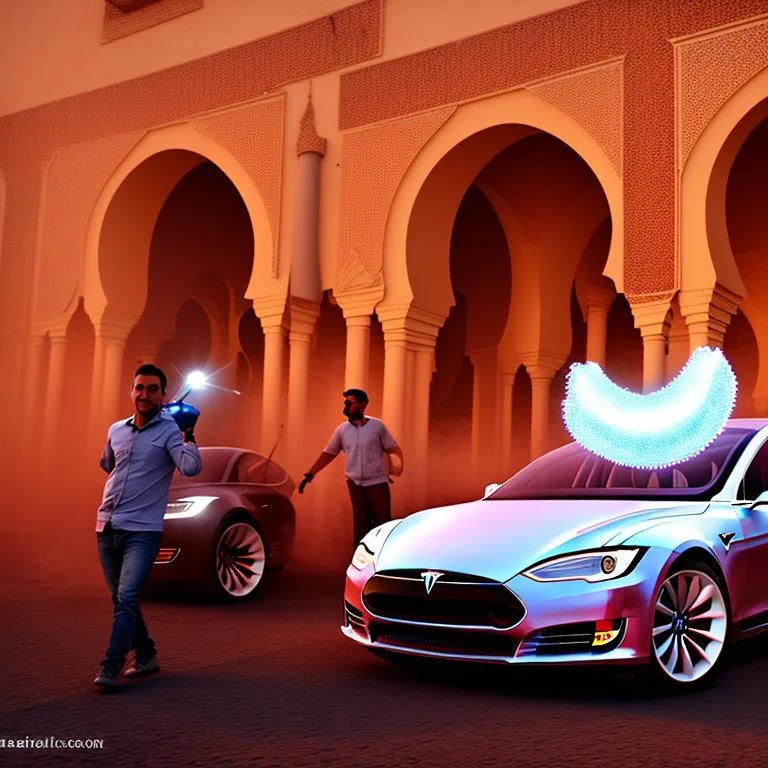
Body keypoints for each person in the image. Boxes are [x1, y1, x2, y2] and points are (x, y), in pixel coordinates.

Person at [93, 363, 202, 688]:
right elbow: (107, 464)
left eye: (152, 389)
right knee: (120, 599)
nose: (144, 394)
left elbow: (190, 467)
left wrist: (188, 433)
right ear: (132, 391)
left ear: (163, 395)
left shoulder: (169, 430)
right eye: (139, 388)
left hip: (143, 531)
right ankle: (146, 653)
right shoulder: (117, 429)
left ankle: (110, 666)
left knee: (126, 598)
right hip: (107, 525)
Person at [299, 389, 404, 547]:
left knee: (383, 522)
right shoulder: (342, 430)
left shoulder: (377, 426)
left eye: (350, 402)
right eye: (346, 402)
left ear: (363, 404)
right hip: (355, 483)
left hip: (377, 481)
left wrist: (396, 468)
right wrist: (311, 474)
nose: (347, 405)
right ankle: (359, 561)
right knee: (360, 523)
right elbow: (328, 453)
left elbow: (393, 448)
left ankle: (385, 557)